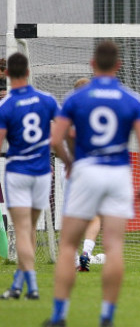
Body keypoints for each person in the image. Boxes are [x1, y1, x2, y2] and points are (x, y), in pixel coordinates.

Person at [45, 40, 140, 326]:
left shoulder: (75, 98)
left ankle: (59, 315)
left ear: (92, 65)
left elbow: (56, 139)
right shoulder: (132, 99)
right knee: (115, 245)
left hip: (86, 170)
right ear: (118, 66)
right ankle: (106, 316)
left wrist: (69, 163)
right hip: (118, 173)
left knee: (68, 245)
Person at [0, 53, 60, 301]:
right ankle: (17, 284)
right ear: (28, 71)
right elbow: (62, 132)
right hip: (43, 171)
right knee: (31, 228)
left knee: (22, 229)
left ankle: (32, 286)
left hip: (17, 172)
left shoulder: (6, 104)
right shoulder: (47, 100)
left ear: (6, 74)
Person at [67, 77, 104, 272]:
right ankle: (86, 252)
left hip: (79, 167)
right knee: (95, 216)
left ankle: (74, 257)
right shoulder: (101, 112)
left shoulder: (71, 112)